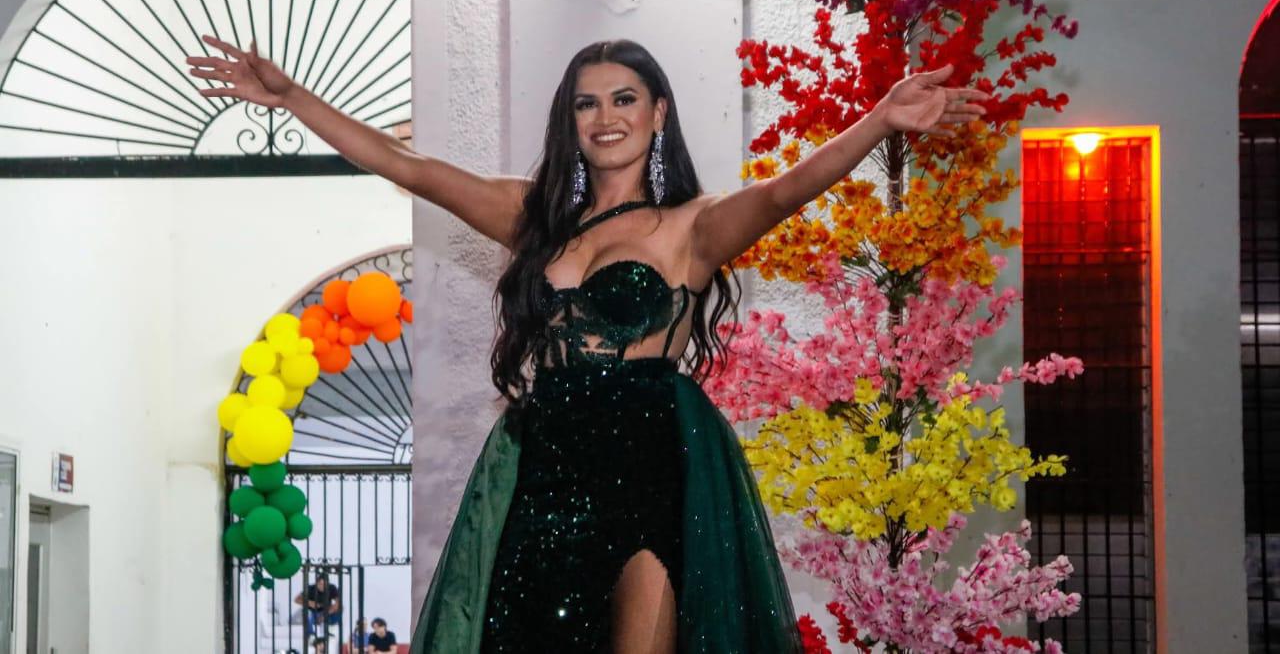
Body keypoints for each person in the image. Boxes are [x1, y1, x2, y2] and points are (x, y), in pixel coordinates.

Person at [188, 36, 984, 652]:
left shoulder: (695, 225)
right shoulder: (534, 218)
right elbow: (412, 166)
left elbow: (784, 190)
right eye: (586, 103)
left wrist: (879, 119)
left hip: (651, 460)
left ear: (659, 112)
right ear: (570, 120)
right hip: (548, 467)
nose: (606, 117)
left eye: (624, 98)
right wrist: (294, 99)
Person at [293, 573, 341, 640]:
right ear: (317, 583)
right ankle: (311, 634)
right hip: (312, 613)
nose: (322, 586)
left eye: (325, 584)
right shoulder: (310, 588)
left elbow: (338, 603)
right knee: (307, 612)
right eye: (320, 584)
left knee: (339, 609)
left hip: (326, 613)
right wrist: (310, 603)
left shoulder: (332, 588)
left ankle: (325, 632)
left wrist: (325, 615)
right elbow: (296, 599)